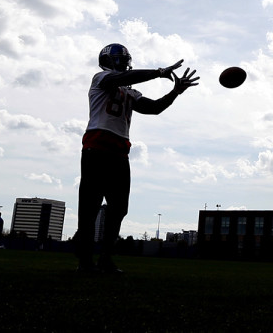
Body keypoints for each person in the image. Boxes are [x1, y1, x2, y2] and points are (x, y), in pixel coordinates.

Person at [73, 42, 198, 274]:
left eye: (124, 59)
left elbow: (154, 108)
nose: (123, 63)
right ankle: (85, 261)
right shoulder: (101, 78)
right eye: (119, 59)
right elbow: (123, 78)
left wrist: (175, 92)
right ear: (108, 61)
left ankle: (106, 259)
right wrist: (159, 72)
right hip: (97, 148)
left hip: (120, 152)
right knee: (90, 208)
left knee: (119, 208)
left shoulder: (129, 91)